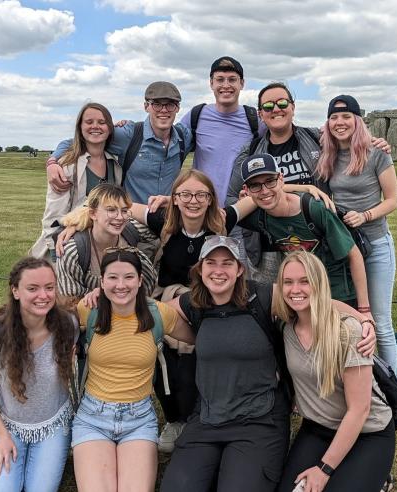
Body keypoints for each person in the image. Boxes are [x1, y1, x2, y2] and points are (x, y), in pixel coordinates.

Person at [57, 169, 260, 452]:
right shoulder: (162, 221)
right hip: (167, 301)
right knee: (164, 359)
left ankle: (207, 415)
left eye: (201, 194)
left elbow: (258, 197)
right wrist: (76, 224)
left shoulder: (221, 220)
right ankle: (175, 419)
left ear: (211, 198)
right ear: (175, 198)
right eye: (185, 194)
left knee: (204, 358)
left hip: (207, 301)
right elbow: (115, 207)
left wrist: (307, 191)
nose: (193, 201)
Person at [159, 236, 376, 492]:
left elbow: (319, 303)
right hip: (207, 418)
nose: (219, 271)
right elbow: (151, 313)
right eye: (211, 263)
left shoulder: (260, 296)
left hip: (258, 421)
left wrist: (363, 320)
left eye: (227, 263)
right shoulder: (194, 302)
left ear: (240, 268)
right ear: (200, 268)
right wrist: (101, 297)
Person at [225, 82, 390, 282]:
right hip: (268, 246)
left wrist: (375, 142)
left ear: (293, 108)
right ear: (261, 114)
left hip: (316, 241)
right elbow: (232, 197)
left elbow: (348, 136)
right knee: (273, 306)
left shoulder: (316, 138)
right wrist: (302, 188)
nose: (276, 109)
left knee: (317, 302)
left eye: (283, 103)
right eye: (268, 106)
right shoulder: (250, 152)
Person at [72, 248, 196, 492]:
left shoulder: (158, 314)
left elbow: (198, 338)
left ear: (140, 280)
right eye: (112, 278)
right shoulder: (89, 311)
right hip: (92, 417)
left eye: (129, 277)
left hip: (138, 419)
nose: (121, 285)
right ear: (102, 282)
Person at [274, 252, 395, 492]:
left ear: (318, 284)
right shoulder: (286, 326)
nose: (295, 289)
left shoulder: (347, 333)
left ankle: (378, 478)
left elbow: (359, 410)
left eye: (305, 281)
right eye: (288, 282)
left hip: (367, 432)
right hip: (317, 429)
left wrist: (324, 469)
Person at [0, 257, 77, 491]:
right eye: (33, 288)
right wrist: (2, 436)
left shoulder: (68, 324)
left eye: (49, 287)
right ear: (15, 291)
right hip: (8, 424)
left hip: (53, 425)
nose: (43, 295)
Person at [314, 95, 397, 373]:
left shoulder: (377, 152)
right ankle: (360, 380)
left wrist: (365, 215)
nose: (340, 123)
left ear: (357, 120)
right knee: (349, 317)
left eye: (346, 116)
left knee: (380, 321)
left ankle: (393, 391)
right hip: (346, 248)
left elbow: (393, 200)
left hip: (374, 243)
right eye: (334, 117)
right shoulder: (327, 154)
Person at [237, 153, 372, 314]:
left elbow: (354, 255)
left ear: (281, 179)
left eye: (270, 181)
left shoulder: (314, 209)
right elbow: (220, 218)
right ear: (246, 190)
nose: (264, 191)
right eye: (255, 185)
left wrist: (364, 309)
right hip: (301, 293)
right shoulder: (259, 214)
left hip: (335, 290)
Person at [46, 82, 192, 204]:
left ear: (178, 108)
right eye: (157, 104)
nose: (164, 110)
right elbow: (76, 142)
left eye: (170, 104)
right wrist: (52, 162)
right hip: (133, 224)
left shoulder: (183, 136)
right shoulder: (129, 134)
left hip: (169, 221)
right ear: (146, 106)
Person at [31, 102, 120, 258]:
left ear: (110, 128)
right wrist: (55, 252)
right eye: (89, 122)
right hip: (69, 245)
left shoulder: (115, 164)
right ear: (80, 127)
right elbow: (53, 214)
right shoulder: (67, 165)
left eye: (102, 122)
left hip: (103, 245)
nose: (95, 126)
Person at [55, 183, 156, 308]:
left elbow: (168, 226)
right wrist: (103, 298)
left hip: (133, 312)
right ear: (93, 214)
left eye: (124, 210)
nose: (120, 217)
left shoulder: (132, 229)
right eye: (111, 210)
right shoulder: (73, 251)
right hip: (90, 316)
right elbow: (72, 302)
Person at [181, 56, 263, 206]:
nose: (226, 85)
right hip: (203, 209)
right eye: (220, 79)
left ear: (242, 83)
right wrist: (126, 127)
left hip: (241, 213)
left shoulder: (255, 121)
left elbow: (282, 137)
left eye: (232, 79)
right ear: (211, 83)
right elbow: (167, 140)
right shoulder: (196, 116)